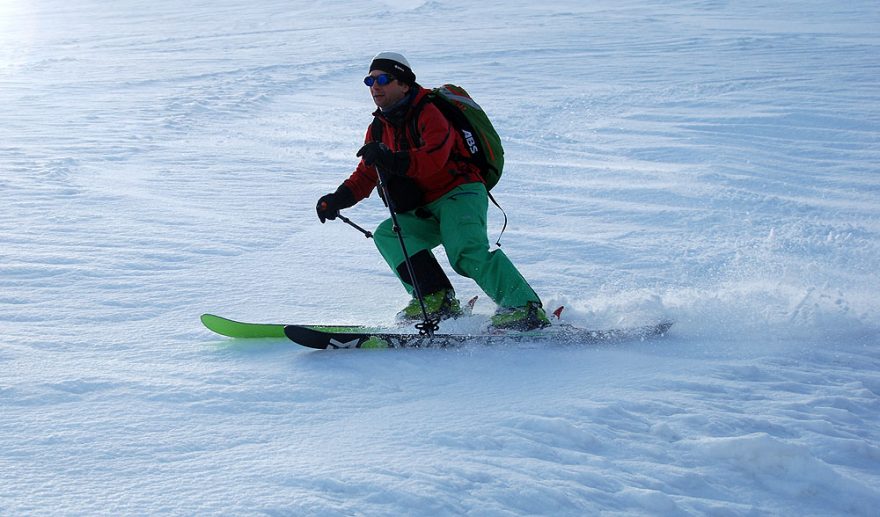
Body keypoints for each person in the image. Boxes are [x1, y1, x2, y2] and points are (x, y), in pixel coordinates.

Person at [316, 51, 549, 331]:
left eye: (383, 79)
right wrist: (337, 199)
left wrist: (391, 158)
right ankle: (435, 299)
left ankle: (523, 307)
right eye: (370, 80)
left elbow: (434, 158)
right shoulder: (378, 128)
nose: (375, 86)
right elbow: (367, 173)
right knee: (388, 233)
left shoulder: (430, 112)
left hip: (459, 192)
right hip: (424, 205)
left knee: (465, 251)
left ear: (404, 83)